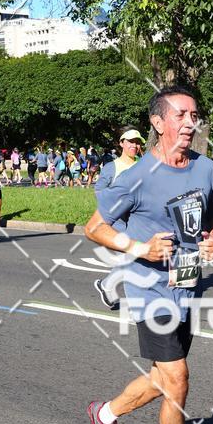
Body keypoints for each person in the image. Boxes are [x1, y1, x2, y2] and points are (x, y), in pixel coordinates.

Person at [84, 84, 213, 424]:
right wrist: (140, 249)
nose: (189, 123)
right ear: (158, 122)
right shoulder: (135, 177)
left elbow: (212, 217)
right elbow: (94, 228)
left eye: (194, 115)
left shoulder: (206, 168)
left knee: (163, 379)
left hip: (186, 284)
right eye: (180, 115)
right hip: (149, 291)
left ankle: (105, 414)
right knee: (177, 378)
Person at [93, 128, 145, 310]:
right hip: (120, 222)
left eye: (137, 142)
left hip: (140, 219)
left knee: (136, 258)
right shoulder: (112, 167)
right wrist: (117, 205)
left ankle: (108, 285)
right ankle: (108, 285)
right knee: (131, 257)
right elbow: (99, 191)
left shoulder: (143, 164)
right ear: (122, 143)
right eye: (130, 142)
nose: (134, 146)